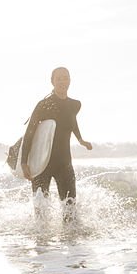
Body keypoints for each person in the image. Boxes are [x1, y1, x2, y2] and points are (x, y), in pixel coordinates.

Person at [21, 67, 93, 215]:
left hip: (64, 164)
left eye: (65, 78)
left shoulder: (75, 105)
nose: (62, 81)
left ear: (70, 81)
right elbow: (30, 132)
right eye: (58, 78)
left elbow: (71, 121)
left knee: (70, 209)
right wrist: (24, 162)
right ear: (52, 81)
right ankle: (40, 237)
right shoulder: (43, 105)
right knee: (41, 213)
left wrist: (80, 139)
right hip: (42, 164)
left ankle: (70, 237)